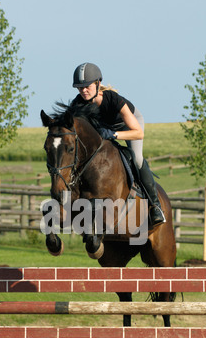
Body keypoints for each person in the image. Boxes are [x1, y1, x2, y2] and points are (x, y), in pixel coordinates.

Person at [71, 62, 166, 227]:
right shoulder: (78, 104)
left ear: (98, 84)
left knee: (136, 158)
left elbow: (138, 132)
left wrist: (113, 134)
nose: (83, 90)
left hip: (130, 125)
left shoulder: (113, 100)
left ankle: (155, 206)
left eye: (87, 86)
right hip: (106, 129)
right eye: (80, 88)